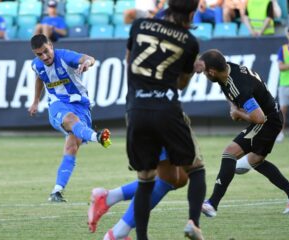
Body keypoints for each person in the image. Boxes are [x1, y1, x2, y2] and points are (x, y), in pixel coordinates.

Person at [121, 0, 206, 239]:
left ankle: (142, 238)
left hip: (136, 109)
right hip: (166, 110)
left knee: (145, 180)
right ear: (192, 12)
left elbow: (129, 60)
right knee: (196, 169)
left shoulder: (140, 25)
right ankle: (193, 222)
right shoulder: (189, 41)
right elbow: (180, 84)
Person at [195, 49, 289, 218]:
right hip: (273, 116)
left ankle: (212, 203)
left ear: (212, 71)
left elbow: (259, 118)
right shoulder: (228, 69)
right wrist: (233, 106)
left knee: (229, 153)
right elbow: (230, 91)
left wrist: (238, 114)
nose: (204, 75)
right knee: (256, 161)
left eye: (204, 73)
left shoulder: (239, 86)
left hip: (267, 121)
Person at [88, 113, 203, 240]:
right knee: (176, 176)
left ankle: (109, 197)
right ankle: (117, 233)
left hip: (138, 112)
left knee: (179, 178)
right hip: (162, 112)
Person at [28, 34, 112, 202]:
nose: (44, 57)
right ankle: (97, 137)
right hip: (58, 105)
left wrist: (87, 63)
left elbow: (89, 58)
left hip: (81, 105)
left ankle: (56, 191)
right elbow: (40, 77)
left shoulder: (65, 56)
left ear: (51, 45)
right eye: (39, 54)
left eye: (46, 51)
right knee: (70, 119)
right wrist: (36, 100)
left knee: (72, 147)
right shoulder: (37, 65)